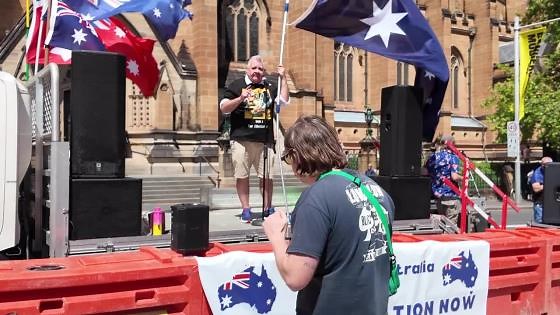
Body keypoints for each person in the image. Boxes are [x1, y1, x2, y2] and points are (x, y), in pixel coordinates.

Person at [263, 115, 395, 314]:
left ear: (298, 155)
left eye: (288, 157)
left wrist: (276, 236)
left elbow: (295, 277)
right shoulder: (373, 188)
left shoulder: (316, 198)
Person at [220, 55, 289, 223]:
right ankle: (246, 209)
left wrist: (283, 77)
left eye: (260, 69)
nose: (257, 71)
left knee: (267, 177)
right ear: (247, 70)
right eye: (254, 68)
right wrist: (241, 98)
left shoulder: (270, 86)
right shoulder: (236, 85)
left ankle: (267, 208)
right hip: (241, 140)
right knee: (242, 176)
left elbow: (284, 101)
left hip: (264, 140)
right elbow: (224, 108)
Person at [425, 135, 463, 226]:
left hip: (438, 196)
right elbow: (454, 176)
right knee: (451, 225)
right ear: (452, 144)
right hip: (451, 196)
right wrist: (464, 178)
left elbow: (424, 171)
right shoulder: (453, 157)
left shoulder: (433, 157)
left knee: (442, 224)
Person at [529, 156, 553, 224]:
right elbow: (536, 188)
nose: (546, 166)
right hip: (540, 204)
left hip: (551, 203)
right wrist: (549, 184)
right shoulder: (537, 173)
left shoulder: (555, 171)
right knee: (540, 224)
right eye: (544, 164)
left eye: (549, 164)